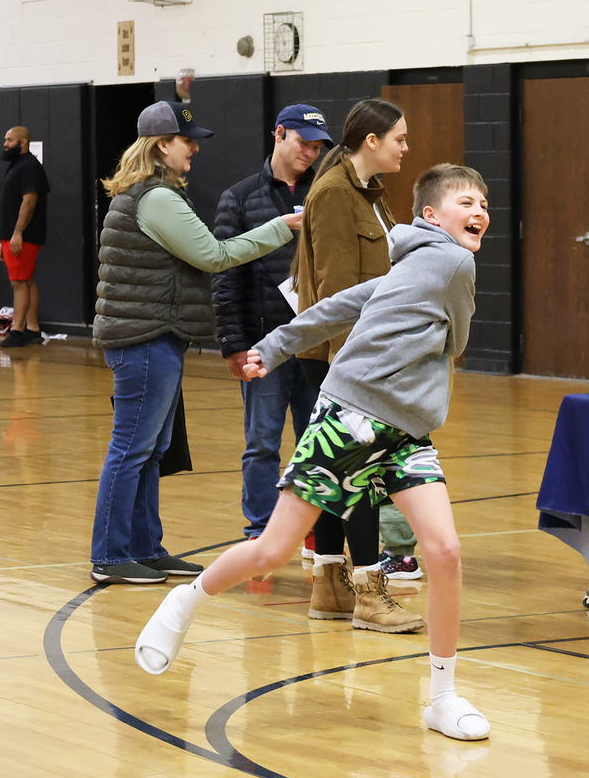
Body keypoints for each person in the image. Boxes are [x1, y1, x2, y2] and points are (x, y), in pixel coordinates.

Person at [135, 164, 491, 742]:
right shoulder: (453, 262)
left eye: (484, 204)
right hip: (347, 419)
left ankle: (442, 698)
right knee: (272, 549)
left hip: (403, 434)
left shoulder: (409, 266)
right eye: (466, 202)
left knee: (444, 550)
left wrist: (271, 348)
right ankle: (186, 599)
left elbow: (337, 305)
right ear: (431, 217)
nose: (480, 212)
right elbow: (460, 342)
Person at [90, 100, 303, 584]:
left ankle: (144, 548)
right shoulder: (157, 198)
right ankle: (110, 555)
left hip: (150, 336)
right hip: (145, 338)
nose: (194, 151)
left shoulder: (146, 194)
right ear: (163, 145)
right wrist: (280, 228)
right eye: (188, 142)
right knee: (132, 447)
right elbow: (214, 255)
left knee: (149, 448)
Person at [291, 97, 423, 631]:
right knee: (358, 474)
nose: (405, 148)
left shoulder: (369, 193)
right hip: (340, 359)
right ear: (372, 141)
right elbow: (337, 294)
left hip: (357, 358)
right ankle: (368, 592)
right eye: (400, 139)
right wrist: (360, 368)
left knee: (337, 473)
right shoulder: (333, 194)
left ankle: (329, 586)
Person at [212, 104, 331, 539]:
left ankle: (315, 527)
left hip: (319, 343)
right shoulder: (239, 198)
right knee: (262, 443)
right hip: (264, 344)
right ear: (279, 134)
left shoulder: (327, 191)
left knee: (315, 439)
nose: (311, 153)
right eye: (304, 143)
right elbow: (225, 275)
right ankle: (261, 532)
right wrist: (232, 343)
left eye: (318, 147)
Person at [0, 126, 50, 348]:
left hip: (23, 236)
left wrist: (17, 232)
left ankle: (17, 331)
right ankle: (33, 328)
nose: (5, 144)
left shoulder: (29, 166)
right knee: (27, 280)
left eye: (10, 140)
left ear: (23, 142)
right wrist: (4, 238)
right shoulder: (17, 165)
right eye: (5, 139)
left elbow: (29, 201)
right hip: (12, 236)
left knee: (18, 283)